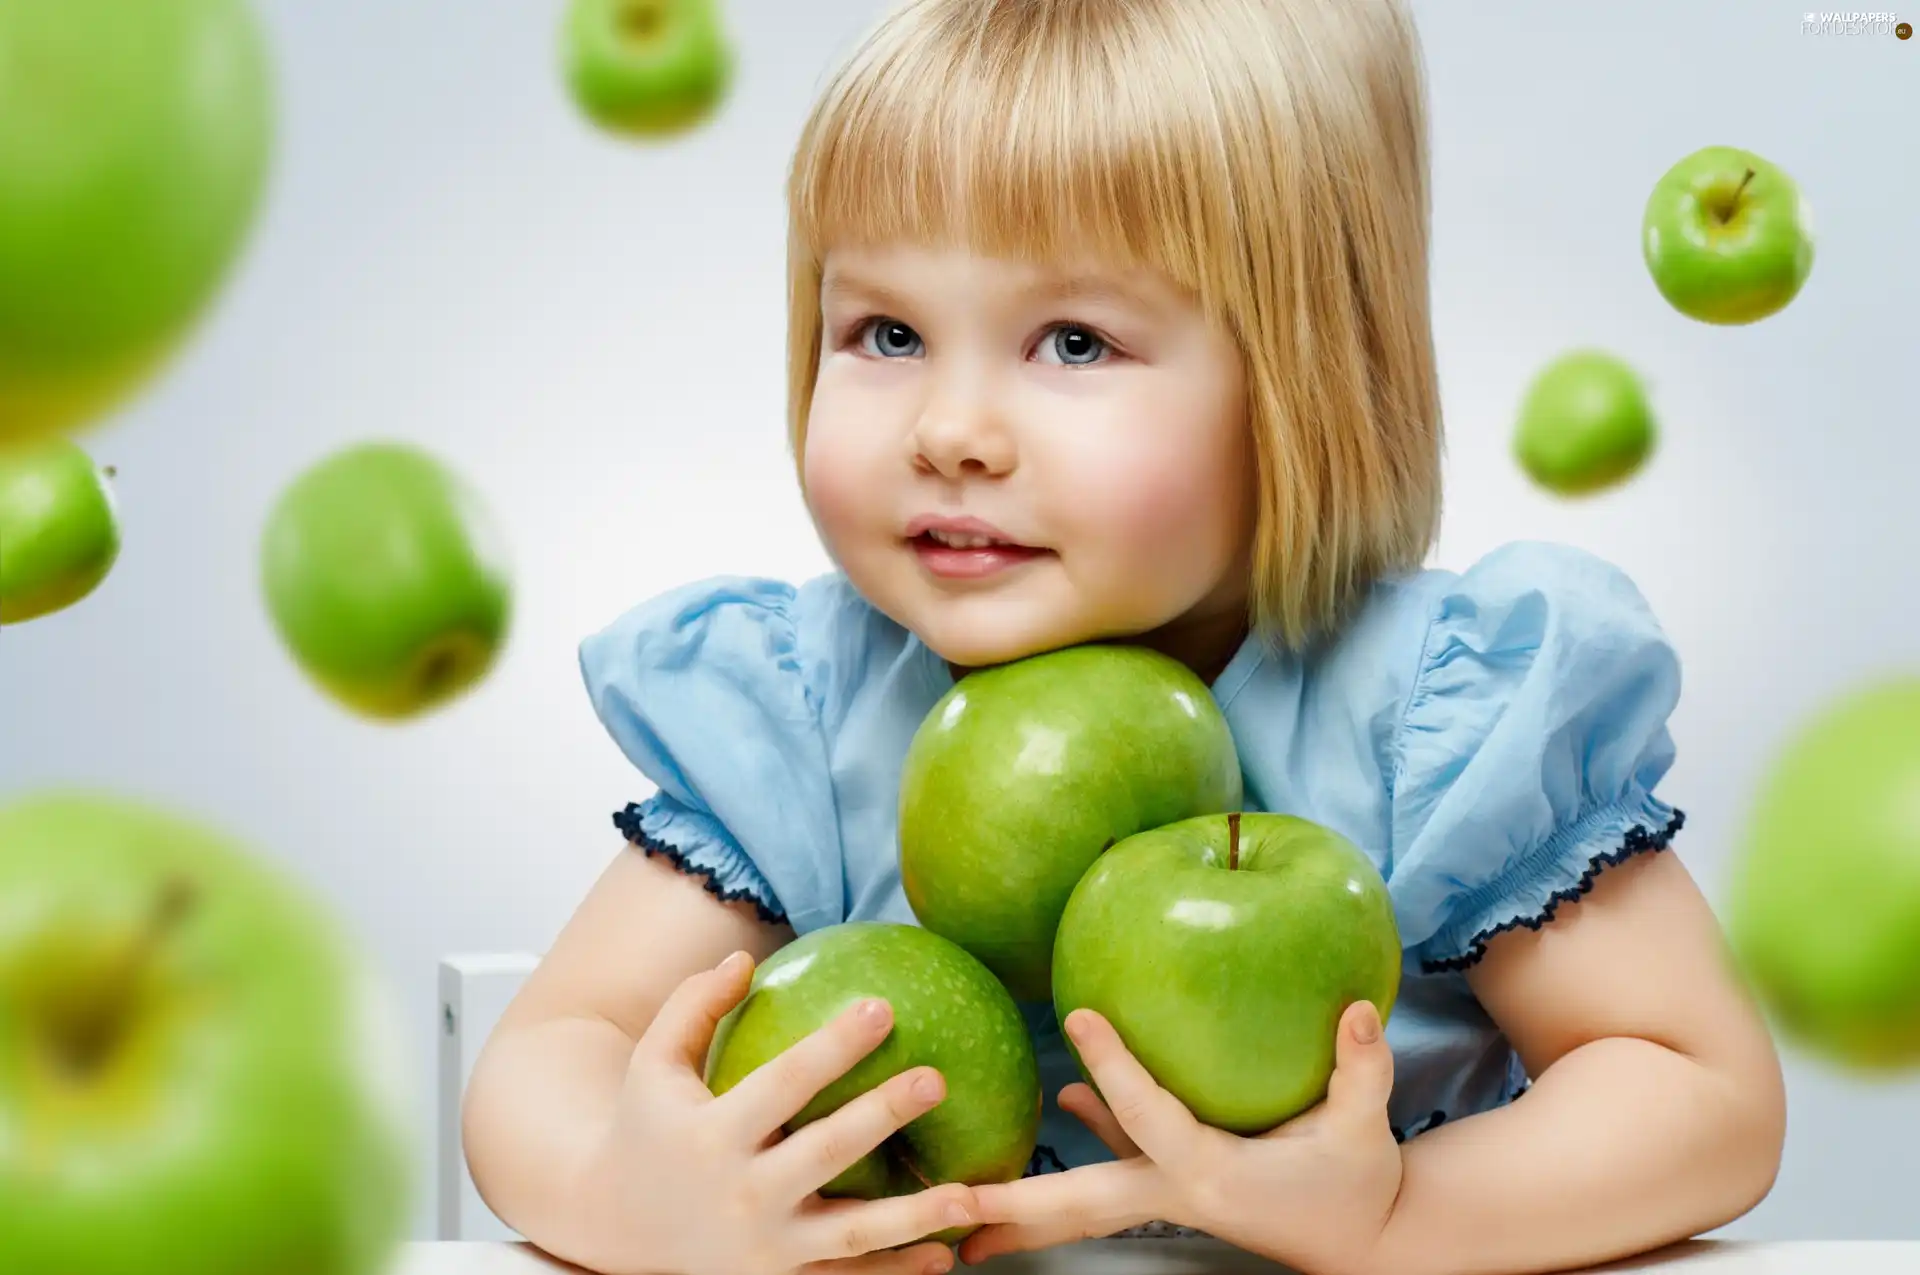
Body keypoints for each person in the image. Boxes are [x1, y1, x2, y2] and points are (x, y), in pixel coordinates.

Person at [462, 2, 1788, 1273]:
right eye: (886, 332)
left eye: (1076, 342)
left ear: (1304, 379)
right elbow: (545, 1057)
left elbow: (1699, 1092)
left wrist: (1398, 1219)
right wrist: (636, 1195)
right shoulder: (809, 711)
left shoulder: (1434, 711)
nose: (949, 428)